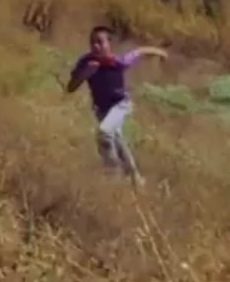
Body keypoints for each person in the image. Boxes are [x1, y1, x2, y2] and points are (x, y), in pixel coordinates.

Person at [65, 26, 169, 186]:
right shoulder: (86, 62)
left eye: (100, 42)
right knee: (118, 141)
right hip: (102, 110)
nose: (96, 46)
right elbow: (71, 87)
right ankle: (136, 178)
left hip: (121, 105)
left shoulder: (118, 62)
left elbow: (139, 52)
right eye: (92, 42)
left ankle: (113, 172)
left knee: (104, 132)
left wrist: (160, 52)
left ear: (109, 44)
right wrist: (86, 73)